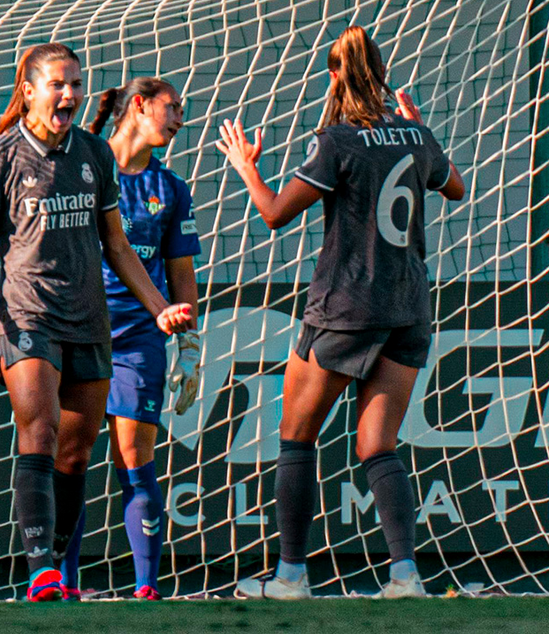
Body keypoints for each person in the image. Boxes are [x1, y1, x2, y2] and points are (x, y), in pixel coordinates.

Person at [0, 43, 193, 602]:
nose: (69, 94)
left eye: (75, 84)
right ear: (28, 90)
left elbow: (117, 245)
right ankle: (42, 569)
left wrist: (158, 307)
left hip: (88, 320)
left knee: (75, 454)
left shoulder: (94, 155)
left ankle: (63, 574)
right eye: (57, 85)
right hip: (27, 316)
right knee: (39, 430)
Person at [217, 26, 464, 600]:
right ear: (381, 76)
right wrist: (419, 126)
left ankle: (291, 577)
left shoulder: (337, 141)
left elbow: (275, 214)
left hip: (345, 308)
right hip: (407, 309)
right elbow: (454, 187)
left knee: (296, 436)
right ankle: (405, 576)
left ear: (334, 76)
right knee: (378, 446)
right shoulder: (414, 135)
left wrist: (246, 166)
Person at [58, 77, 201, 602]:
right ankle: (63, 585)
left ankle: (146, 588)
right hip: (77, 330)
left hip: (141, 336)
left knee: (134, 459)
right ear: (139, 106)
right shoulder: (81, 168)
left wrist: (190, 345)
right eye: (173, 108)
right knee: (70, 457)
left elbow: (180, 273)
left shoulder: (170, 187)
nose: (180, 119)